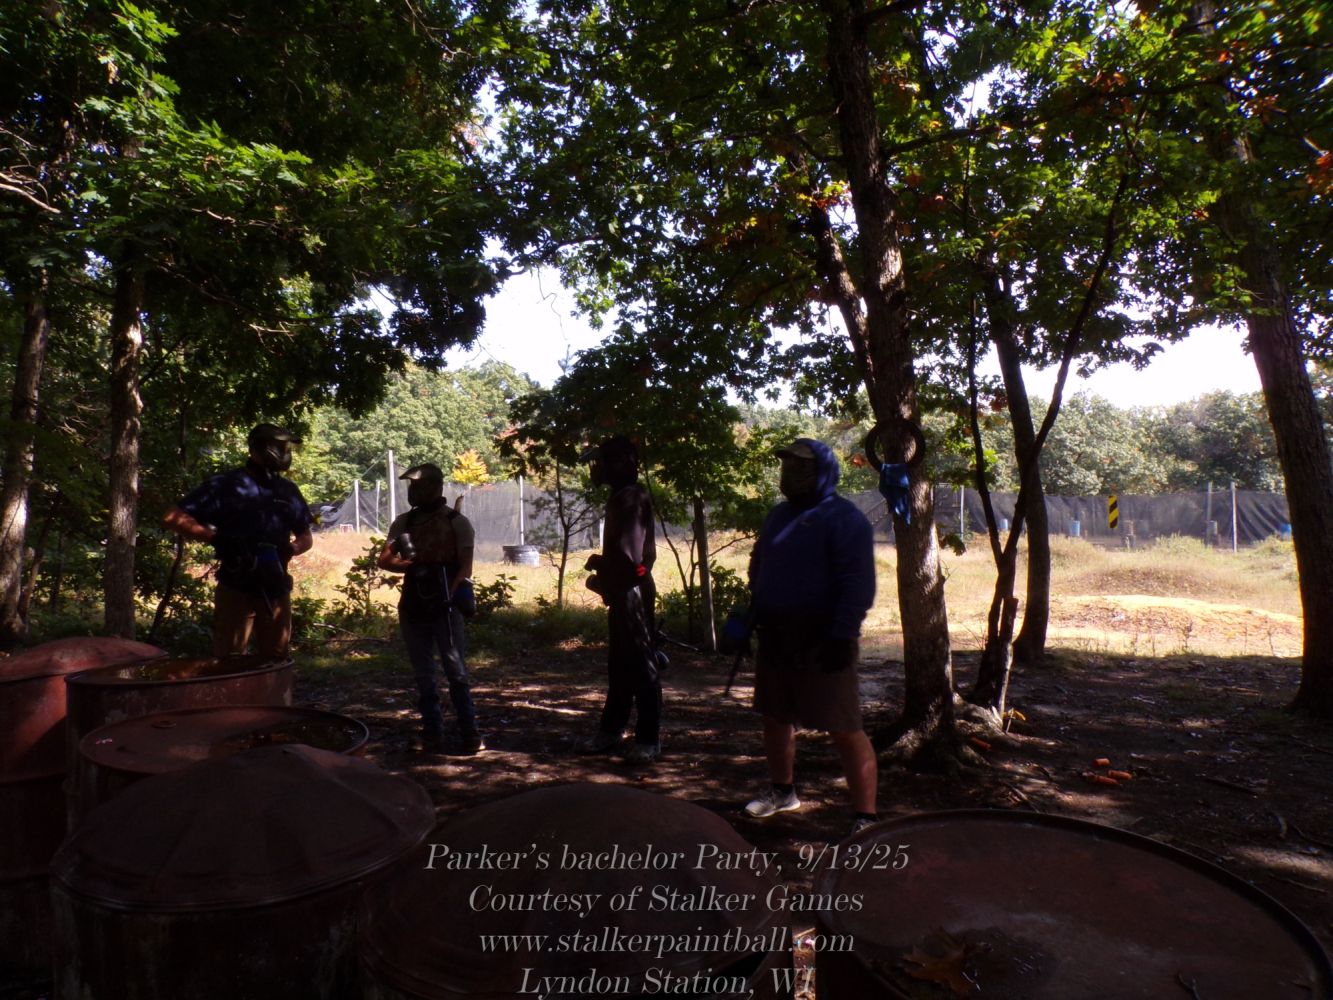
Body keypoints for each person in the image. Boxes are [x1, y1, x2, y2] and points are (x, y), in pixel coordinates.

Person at [743, 438, 879, 835]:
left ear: (823, 472)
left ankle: (866, 818)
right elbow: (760, 565)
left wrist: (841, 635)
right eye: (787, 465)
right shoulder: (778, 516)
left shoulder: (845, 519)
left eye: (801, 466)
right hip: (776, 636)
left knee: (844, 726)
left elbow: (858, 584)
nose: (791, 474)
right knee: (775, 717)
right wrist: (752, 612)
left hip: (824, 640)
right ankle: (782, 791)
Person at [163, 423, 314, 658]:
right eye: (280, 446)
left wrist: (291, 549)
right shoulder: (226, 485)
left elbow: (306, 537)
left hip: (275, 587)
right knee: (229, 660)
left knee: (277, 659)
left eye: (287, 447)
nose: (285, 452)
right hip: (236, 585)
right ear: (259, 447)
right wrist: (217, 539)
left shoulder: (287, 490)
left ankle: (272, 685)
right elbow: (173, 517)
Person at [377, 462, 483, 755]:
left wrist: (449, 594)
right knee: (424, 674)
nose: (413, 490)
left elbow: (465, 568)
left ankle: (470, 731)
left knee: (455, 670)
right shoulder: (404, 523)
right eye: (411, 485)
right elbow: (384, 560)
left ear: (436, 487)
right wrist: (409, 565)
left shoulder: (457, 522)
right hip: (413, 604)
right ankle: (432, 732)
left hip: (445, 605)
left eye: (418, 485)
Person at [578, 435, 661, 764]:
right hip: (624, 591)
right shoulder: (623, 496)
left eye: (601, 462)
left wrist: (602, 567)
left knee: (642, 665)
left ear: (619, 465)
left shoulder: (630, 498)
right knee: (621, 666)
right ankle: (612, 731)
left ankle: (649, 739)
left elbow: (631, 560)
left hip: (632, 592)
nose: (596, 469)